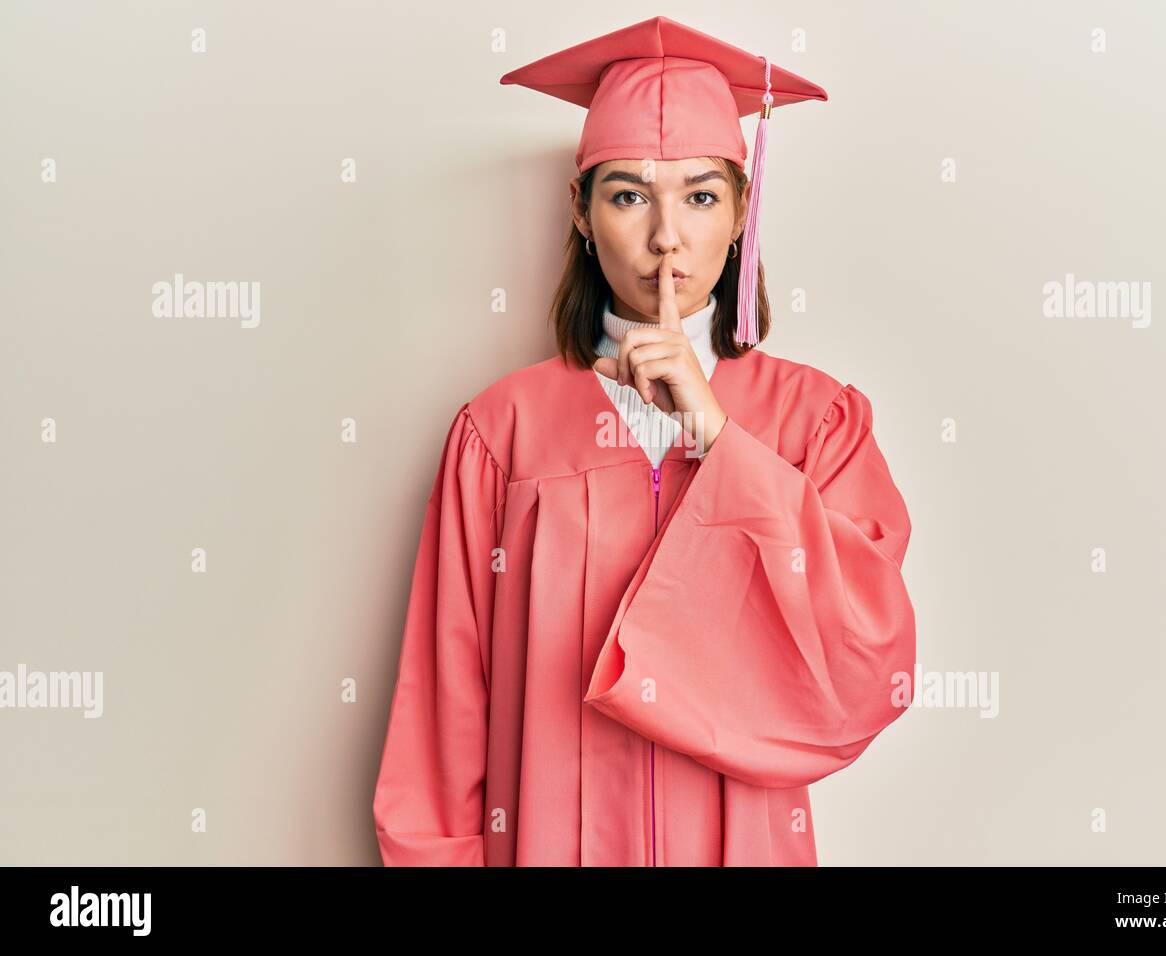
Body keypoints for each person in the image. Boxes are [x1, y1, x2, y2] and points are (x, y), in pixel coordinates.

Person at [372, 15, 916, 867]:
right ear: (582, 213)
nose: (667, 235)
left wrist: (717, 436)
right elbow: (442, 711)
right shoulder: (501, 432)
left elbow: (865, 655)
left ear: (742, 214)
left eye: (701, 196)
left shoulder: (817, 420)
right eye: (628, 195)